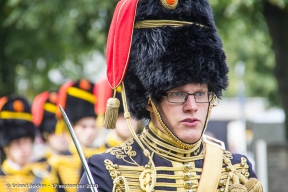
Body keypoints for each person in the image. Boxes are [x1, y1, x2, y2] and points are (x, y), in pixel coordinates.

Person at [79, 0, 263, 191]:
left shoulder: (238, 171)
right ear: (149, 100)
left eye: (200, 93)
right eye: (177, 93)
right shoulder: (106, 172)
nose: (192, 105)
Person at [51, 79, 106, 192]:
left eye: (93, 126)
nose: (90, 132)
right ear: (72, 126)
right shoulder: (56, 162)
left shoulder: (105, 156)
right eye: (84, 127)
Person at [0, 95, 56, 192]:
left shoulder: (45, 179)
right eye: (17, 143)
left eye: (26, 142)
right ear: (6, 147)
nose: (23, 148)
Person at [32, 91, 69, 160]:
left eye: (65, 130)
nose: (61, 136)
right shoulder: (38, 166)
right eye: (54, 131)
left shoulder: (81, 162)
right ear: (45, 134)